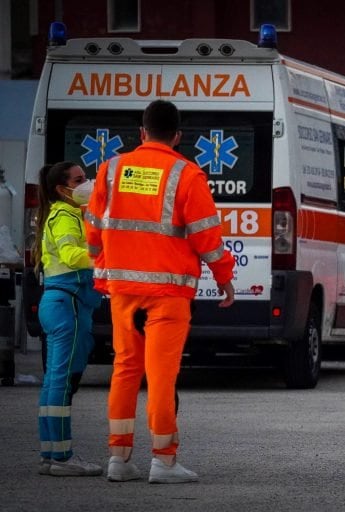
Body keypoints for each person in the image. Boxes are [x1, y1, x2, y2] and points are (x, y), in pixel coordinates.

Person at [85, 100, 236, 484]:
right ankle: (164, 462)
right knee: (161, 375)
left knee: (124, 370)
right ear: (178, 136)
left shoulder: (111, 169)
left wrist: (102, 266)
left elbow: (93, 229)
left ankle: (118, 459)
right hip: (168, 292)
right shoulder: (186, 174)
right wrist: (224, 277)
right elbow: (206, 236)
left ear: (142, 132)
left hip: (122, 290)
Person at [34, 161, 103, 477]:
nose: (87, 182)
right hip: (68, 305)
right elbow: (71, 256)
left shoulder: (65, 214)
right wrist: (103, 257)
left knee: (53, 381)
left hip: (57, 302)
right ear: (63, 189)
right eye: (79, 179)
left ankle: (51, 453)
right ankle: (63, 457)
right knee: (62, 382)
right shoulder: (64, 216)